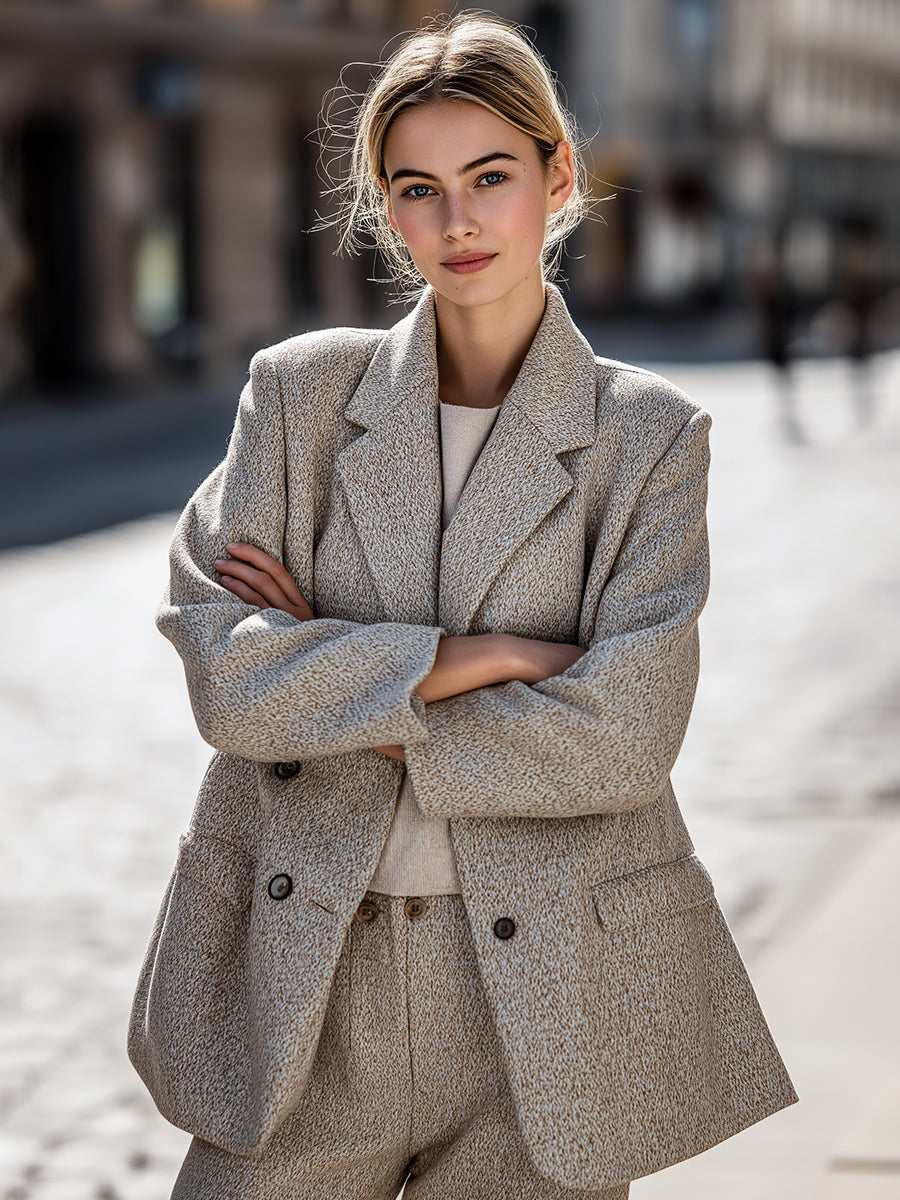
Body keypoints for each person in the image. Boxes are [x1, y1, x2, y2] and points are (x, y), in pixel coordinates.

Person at [128, 13, 797, 1200]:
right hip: (304, 988)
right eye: (418, 188)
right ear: (387, 209)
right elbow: (229, 677)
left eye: (491, 177)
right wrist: (483, 654)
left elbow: (624, 737)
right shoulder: (297, 399)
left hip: (542, 1011)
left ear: (560, 176)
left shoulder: (647, 440)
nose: (458, 220)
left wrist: (336, 676)